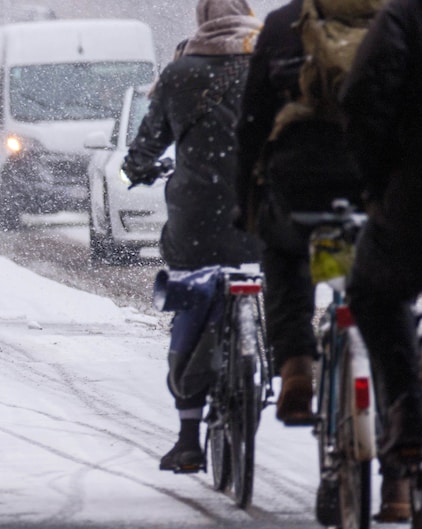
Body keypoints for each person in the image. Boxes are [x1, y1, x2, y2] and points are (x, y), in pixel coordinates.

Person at [235, 0, 411, 522]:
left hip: (300, 182)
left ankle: (295, 365)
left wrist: (245, 201)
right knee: (382, 301)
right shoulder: (398, 22)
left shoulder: (283, 25)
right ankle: (399, 479)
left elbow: (251, 123)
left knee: (285, 256)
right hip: (373, 183)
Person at [122, 0, 263, 472]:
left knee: (189, 301)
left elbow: (146, 145)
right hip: (260, 211)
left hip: (197, 217)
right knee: (278, 277)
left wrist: (139, 168)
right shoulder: (269, 63)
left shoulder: (179, 73)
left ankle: (187, 438)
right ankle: (284, 356)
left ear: (203, 21)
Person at [341, 1, 422, 479]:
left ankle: (407, 416)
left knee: (373, 291)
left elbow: (363, 97)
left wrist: (378, 184)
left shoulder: (410, 16)